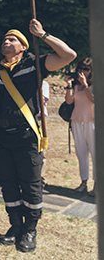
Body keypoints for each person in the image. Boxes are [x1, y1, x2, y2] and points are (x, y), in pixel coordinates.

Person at [0, 21, 76, 252]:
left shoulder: (34, 64)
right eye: (5, 39)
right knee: (8, 183)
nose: (7, 41)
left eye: (12, 39)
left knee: (31, 184)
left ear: (24, 46)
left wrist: (42, 35)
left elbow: (68, 55)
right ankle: (15, 225)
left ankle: (30, 230)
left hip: (26, 136)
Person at [64, 57, 95, 196]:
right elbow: (69, 101)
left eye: (86, 69)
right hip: (77, 121)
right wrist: (69, 84)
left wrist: (85, 85)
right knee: (81, 153)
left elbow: (93, 99)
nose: (82, 72)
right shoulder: (76, 86)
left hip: (92, 122)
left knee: (95, 154)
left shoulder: (96, 85)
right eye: (80, 69)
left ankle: (98, 185)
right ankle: (84, 182)